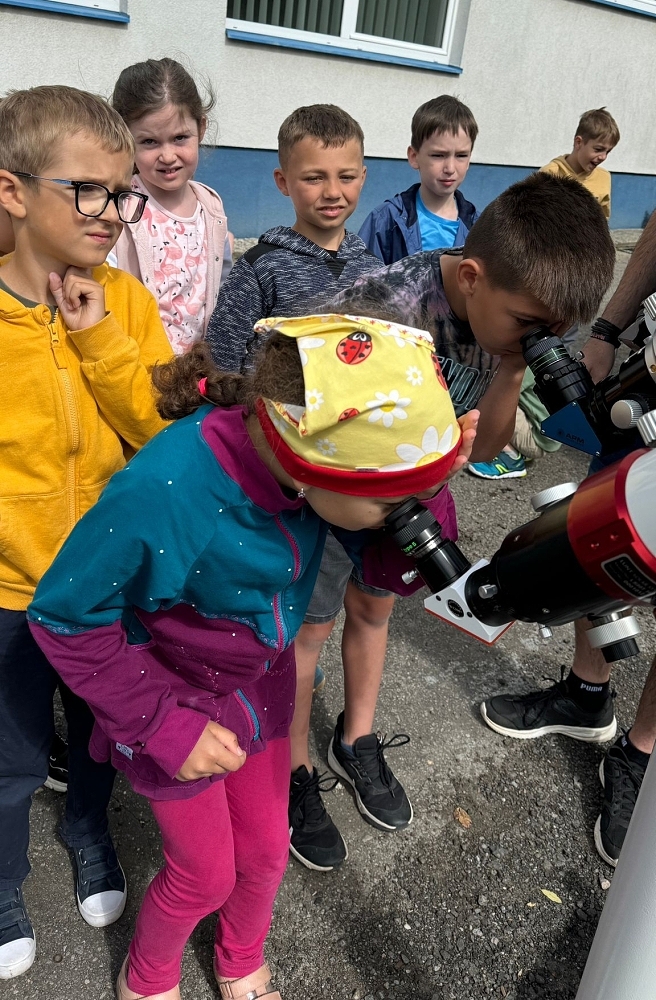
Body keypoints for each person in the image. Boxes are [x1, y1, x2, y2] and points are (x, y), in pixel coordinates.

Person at [28, 312, 477, 1000]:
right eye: (395, 504)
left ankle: (239, 957)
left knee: (267, 852)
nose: (405, 518)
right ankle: (147, 975)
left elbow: (389, 571)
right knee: (203, 875)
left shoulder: (313, 468)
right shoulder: (171, 488)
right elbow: (63, 615)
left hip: (256, 689)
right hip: (168, 698)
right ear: (312, 465)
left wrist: (429, 488)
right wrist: (161, 726)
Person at [0, 85, 173, 980]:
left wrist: (100, 340)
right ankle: (4, 879)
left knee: (104, 734)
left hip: (106, 586)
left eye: (121, 193)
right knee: (13, 754)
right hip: (11, 591)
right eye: (88, 191)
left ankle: (87, 830)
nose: (111, 212)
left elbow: (161, 432)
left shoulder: (126, 303)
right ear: (12, 190)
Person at [208, 104, 408, 873]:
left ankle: (357, 737)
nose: (332, 191)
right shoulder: (260, 268)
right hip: (299, 490)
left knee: (374, 606)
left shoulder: (373, 265)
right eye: (315, 177)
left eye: (347, 175)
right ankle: (294, 770)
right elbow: (224, 369)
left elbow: (397, 363)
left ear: (365, 175)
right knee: (308, 631)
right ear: (282, 180)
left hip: (373, 482)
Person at [481, 206, 656, 869]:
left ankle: (640, 751)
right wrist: (607, 329)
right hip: (648, 380)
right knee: (596, 530)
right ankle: (585, 696)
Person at [467, 108, 621, 482]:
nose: (601, 158)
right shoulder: (551, 173)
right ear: (578, 142)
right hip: (545, 276)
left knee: (552, 349)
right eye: (597, 149)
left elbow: (601, 221)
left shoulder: (604, 178)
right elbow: (530, 223)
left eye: (608, 152)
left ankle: (537, 405)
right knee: (523, 351)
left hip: (572, 282)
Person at [110, 57, 233, 355]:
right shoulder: (120, 206)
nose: (167, 156)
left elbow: (223, 288)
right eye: (149, 142)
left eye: (179, 138)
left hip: (199, 368)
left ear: (201, 127)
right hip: (141, 364)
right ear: (126, 139)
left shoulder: (211, 206)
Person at [358, 94, 478, 264]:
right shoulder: (385, 221)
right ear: (414, 157)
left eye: (461, 155)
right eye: (438, 155)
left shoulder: (480, 228)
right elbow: (362, 278)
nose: (450, 168)